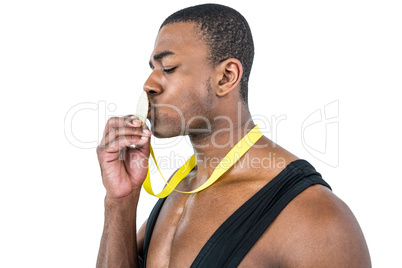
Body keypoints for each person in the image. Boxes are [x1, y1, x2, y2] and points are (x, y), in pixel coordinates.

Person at [96, 4, 371, 267]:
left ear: (227, 76)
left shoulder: (316, 216)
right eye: (152, 69)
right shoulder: (178, 192)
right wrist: (120, 200)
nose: (149, 84)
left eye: (167, 68)